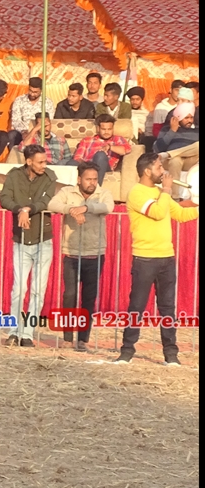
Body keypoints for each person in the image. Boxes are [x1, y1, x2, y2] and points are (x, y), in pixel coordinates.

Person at [116, 152, 199, 366]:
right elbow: (158, 213)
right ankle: (126, 351)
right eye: (159, 167)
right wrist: (168, 190)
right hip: (144, 258)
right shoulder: (136, 193)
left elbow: (180, 214)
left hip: (166, 258)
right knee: (137, 306)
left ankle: (171, 355)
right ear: (147, 171)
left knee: (167, 308)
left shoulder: (160, 193)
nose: (163, 171)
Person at [48, 162, 114, 351]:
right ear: (79, 179)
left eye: (95, 179)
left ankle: (83, 339)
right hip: (71, 252)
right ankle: (68, 338)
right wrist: (71, 209)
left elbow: (108, 207)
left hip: (94, 253)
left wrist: (85, 208)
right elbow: (52, 204)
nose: (92, 183)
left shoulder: (103, 193)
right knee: (69, 295)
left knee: (88, 298)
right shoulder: (67, 192)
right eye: (88, 179)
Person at [0, 145, 58, 347]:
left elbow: (45, 201)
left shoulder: (50, 177)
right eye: (40, 162)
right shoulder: (14, 176)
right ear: (29, 161)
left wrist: (27, 210)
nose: (44, 165)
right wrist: (19, 210)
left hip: (43, 239)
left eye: (45, 161)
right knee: (19, 289)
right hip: (21, 239)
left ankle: (28, 334)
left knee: (37, 291)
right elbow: (4, 198)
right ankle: (14, 331)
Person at [72, 114, 132, 182]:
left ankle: (96, 185)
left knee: (100, 155)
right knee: (71, 163)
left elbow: (126, 150)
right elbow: (77, 158)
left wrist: (110, 147)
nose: (106, 132)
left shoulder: (117, 139)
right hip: (86, 166)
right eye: (103, 129)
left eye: (109, 129)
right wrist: (87, 166)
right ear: (98, 128)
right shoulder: (86, 140)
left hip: (104, 167)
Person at [155, 103, 199, 187]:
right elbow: (158, 148)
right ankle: (174, 194)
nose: (190, 120)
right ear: (178, 118)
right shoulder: (166, 129)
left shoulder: (197, 130)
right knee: (175, 160)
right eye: (186, 118)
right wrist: (172, 131)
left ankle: (169, 154)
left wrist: (170, 154)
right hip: (170, 161)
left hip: (190, 160)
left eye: (191, 117)